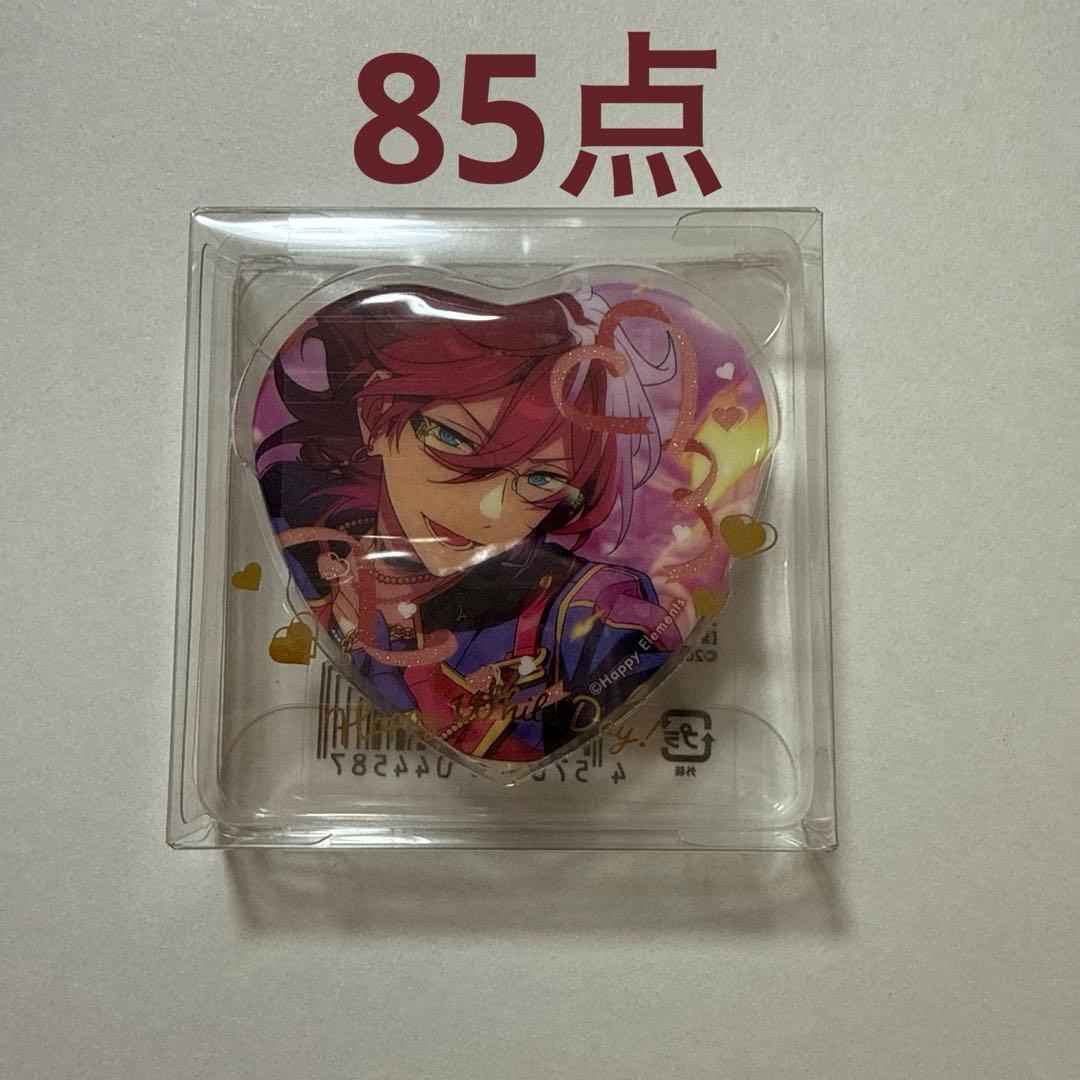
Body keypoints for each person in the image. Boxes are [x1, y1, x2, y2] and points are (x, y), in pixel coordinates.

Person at [255, 285, 685, 762]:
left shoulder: (587, 614)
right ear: (377, 416)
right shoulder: (299, 538)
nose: (489, 510)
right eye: (455, 440)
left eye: (541, 478)